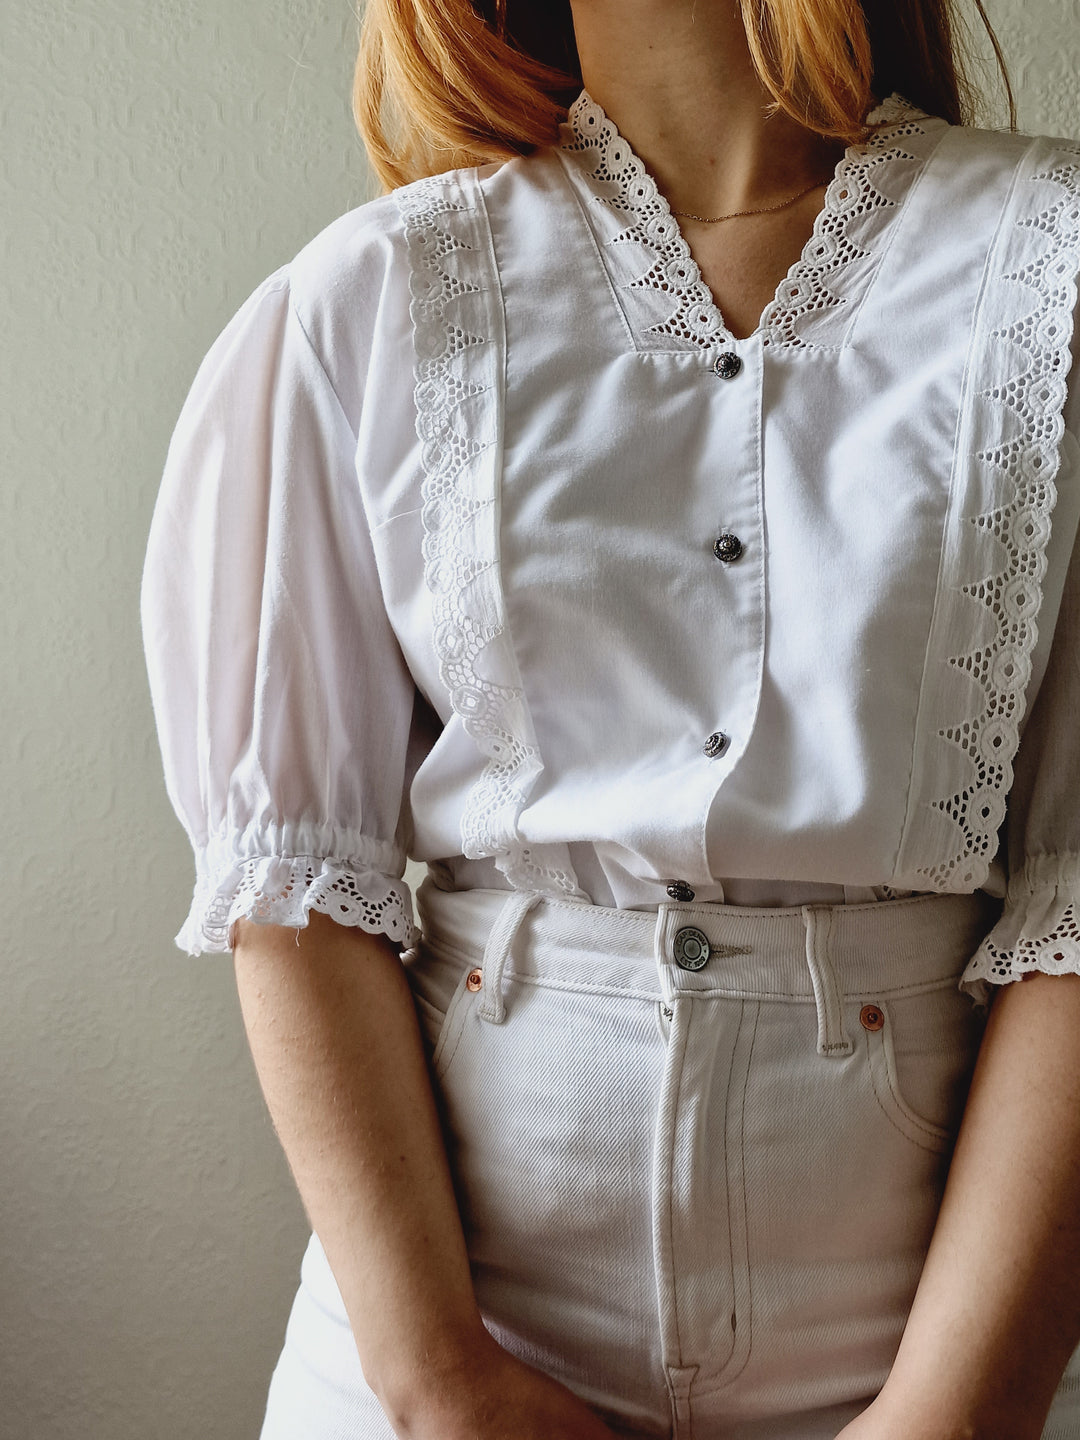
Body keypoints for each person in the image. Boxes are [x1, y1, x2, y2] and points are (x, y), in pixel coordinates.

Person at [141, 0, 1080, 1435]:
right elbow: (294, 882)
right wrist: (446, 1386)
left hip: (919, 1345)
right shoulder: (376, 297)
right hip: (436, 1340)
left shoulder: (1051, 270)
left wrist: (949, 1417)